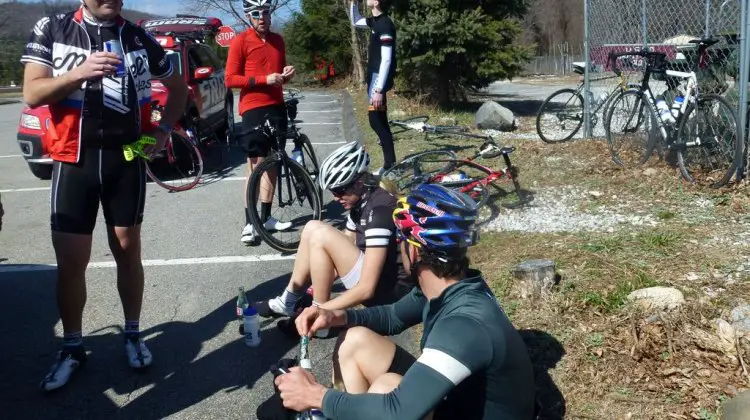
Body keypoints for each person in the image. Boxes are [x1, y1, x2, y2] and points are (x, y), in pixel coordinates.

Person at [20, 0, 188, 391]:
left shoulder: (139, 36)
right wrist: (79, 73)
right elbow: (31, 92)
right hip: (73, 160)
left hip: (125, 160)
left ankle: (132, 333)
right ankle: (73, 346)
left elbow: (177, 86)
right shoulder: (54, 28)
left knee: (128, 251)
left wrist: (162, 131)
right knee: (71, 262)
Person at [273, 184, 537, 419]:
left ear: (413, 248)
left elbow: (399, 411)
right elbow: (392, 316)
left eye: (400, 239)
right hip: (458, 403)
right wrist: (338, 316)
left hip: (458, 409)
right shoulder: (450, 287)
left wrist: (315, 396)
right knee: (355, 340)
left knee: (385, 390)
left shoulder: (464, 324)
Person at [254, 141, 402, 338]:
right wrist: (314, 284)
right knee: (311, 229)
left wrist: (322, 309)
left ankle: (319, 320)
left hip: (386, 293)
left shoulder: (379, 210)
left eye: (340, 190)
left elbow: (366, 288)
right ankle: (289, 301)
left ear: (358, 182)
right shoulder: (361, 198)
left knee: (320, 233)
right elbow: (343, 250)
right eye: (332, 192)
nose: (335, 198)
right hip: (376, 278)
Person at [225, 0, 298, 245]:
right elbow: (230, 79)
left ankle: (266, 218)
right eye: (256, 14)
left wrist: (285, 76)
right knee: (255, 164)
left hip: (276, 106)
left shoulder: (278, 40)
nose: (262, 17)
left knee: (274, 161)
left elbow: (278, 78)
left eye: (265, 12)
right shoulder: (240, 41)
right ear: (249, 16)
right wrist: (264, 79)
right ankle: (250, 222)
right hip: (253, 107)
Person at [349, 0, 397, 176]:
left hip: (378, 80)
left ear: (376, 2)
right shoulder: (375, 21)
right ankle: (390, 165)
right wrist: (353, 3)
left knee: (376, 121)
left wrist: (378, 89)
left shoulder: (385, 25)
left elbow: (386, 59)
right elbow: (355, 21)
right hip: (374, 79)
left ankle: (390, 166)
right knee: (379, 120)